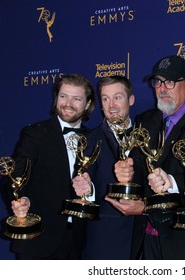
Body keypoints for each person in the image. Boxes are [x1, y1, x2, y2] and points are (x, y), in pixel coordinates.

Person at [113, 55, 185, 260]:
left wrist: (168, 184)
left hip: (184, 242)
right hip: (146, 238)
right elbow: (137, 167)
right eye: (158, 82)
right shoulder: (145, 120)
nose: (162, 89)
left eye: (170, 82)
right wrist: (127, 172)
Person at [4, 74, 96, 259]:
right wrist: (21, 200)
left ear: (87, 104)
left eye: (76, 98)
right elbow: (14, 178)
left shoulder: (95, 138)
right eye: (63, 96)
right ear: (56, 98)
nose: (68, 103)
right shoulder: (35, 134)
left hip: (82, 244)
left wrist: (90, 191)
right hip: (40, 240)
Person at [72, 75, 143, 259]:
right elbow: (84, 185)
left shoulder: (147, 136)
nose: (111, 106)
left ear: (131, 100)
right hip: (105, 238)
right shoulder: (89, 140)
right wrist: (87, 190)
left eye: (117, 97)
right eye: (105, 99)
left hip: (144, 236)